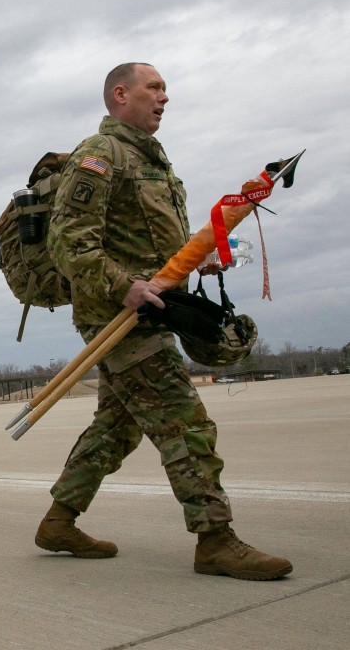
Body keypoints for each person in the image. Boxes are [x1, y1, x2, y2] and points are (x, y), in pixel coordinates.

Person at [38, 62, 291, 580]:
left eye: (165, 89)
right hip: (119, 316)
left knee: (117, 427)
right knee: (184, 421)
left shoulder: (153, 161)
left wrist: (200, 259)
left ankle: (58, 521)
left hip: (153, 312)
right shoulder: (99, 155)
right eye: (154, 88)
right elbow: (68, 245)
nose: (164, 97)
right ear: (120, 94)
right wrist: (122, 285)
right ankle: (215, 538)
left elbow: (156, 245)